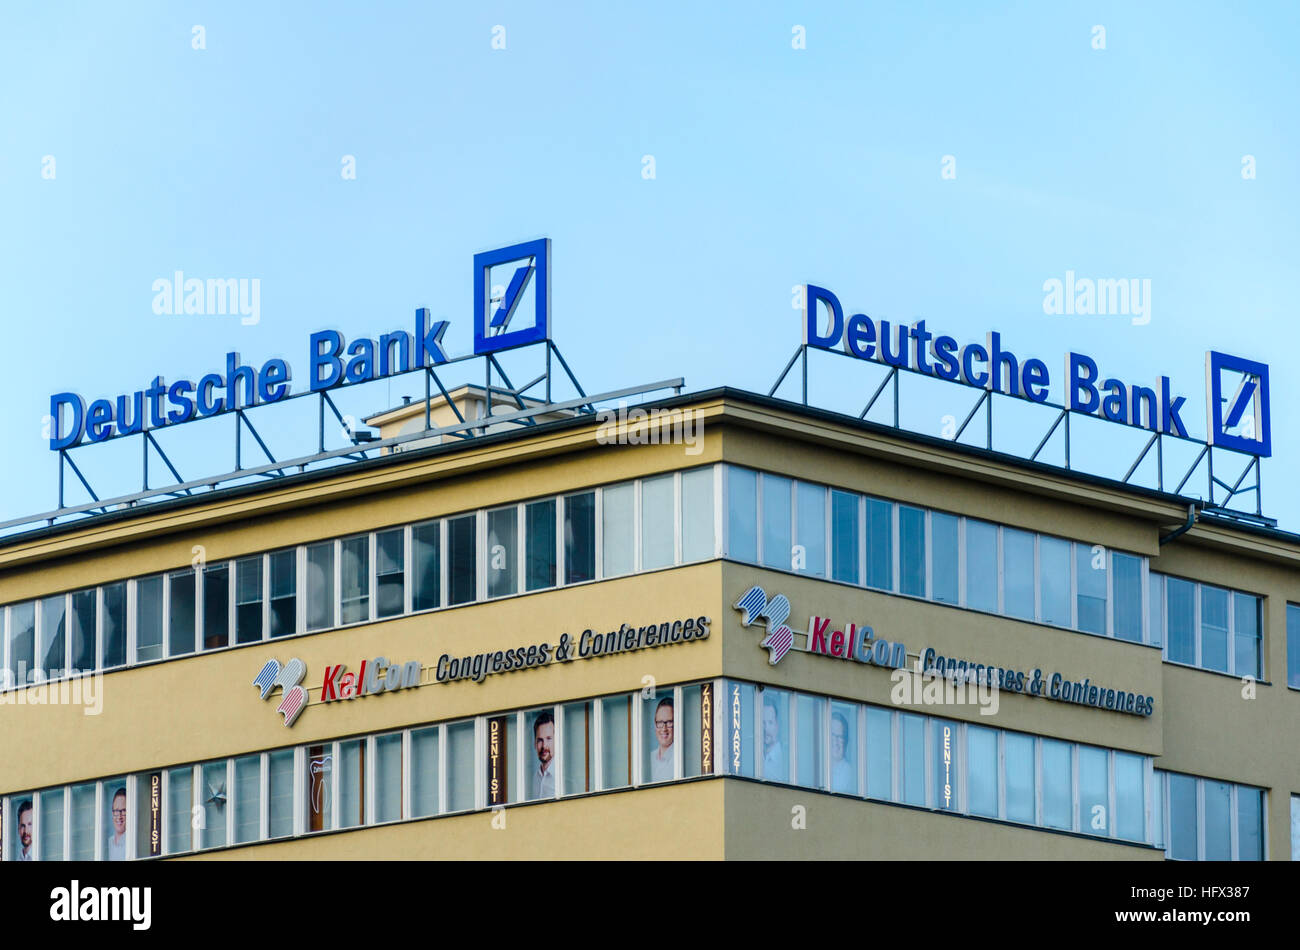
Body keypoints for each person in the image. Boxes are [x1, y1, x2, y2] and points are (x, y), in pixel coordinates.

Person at [647, 697, 674, 782]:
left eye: (669, 722)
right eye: (660, 723)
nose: (664, 728)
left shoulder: (681, 758)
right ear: (655, 725)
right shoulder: (648, 759)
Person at [531, 711, 556, 799]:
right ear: (535, 743)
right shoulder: (535, 778)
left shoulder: (562, 776)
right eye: (540, 740)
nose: (544, 745)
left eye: (548, 738)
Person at [830, 713, 855, 792]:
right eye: (833, 735)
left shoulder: (848, 772)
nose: (836, 741)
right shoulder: (821, 767)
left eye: (840, 737)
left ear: (846, 741)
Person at [762, 699, 786, 781]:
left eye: (770, 722)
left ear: (777, 726)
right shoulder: (752, 756)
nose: (766, 729)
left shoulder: (785, 758)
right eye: (763, 723)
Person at [107, 787, 127, 860]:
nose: (119, 816)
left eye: (123, 811)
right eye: (116, 811)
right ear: (112, 813)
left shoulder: (132, 843)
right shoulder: (107, 844)